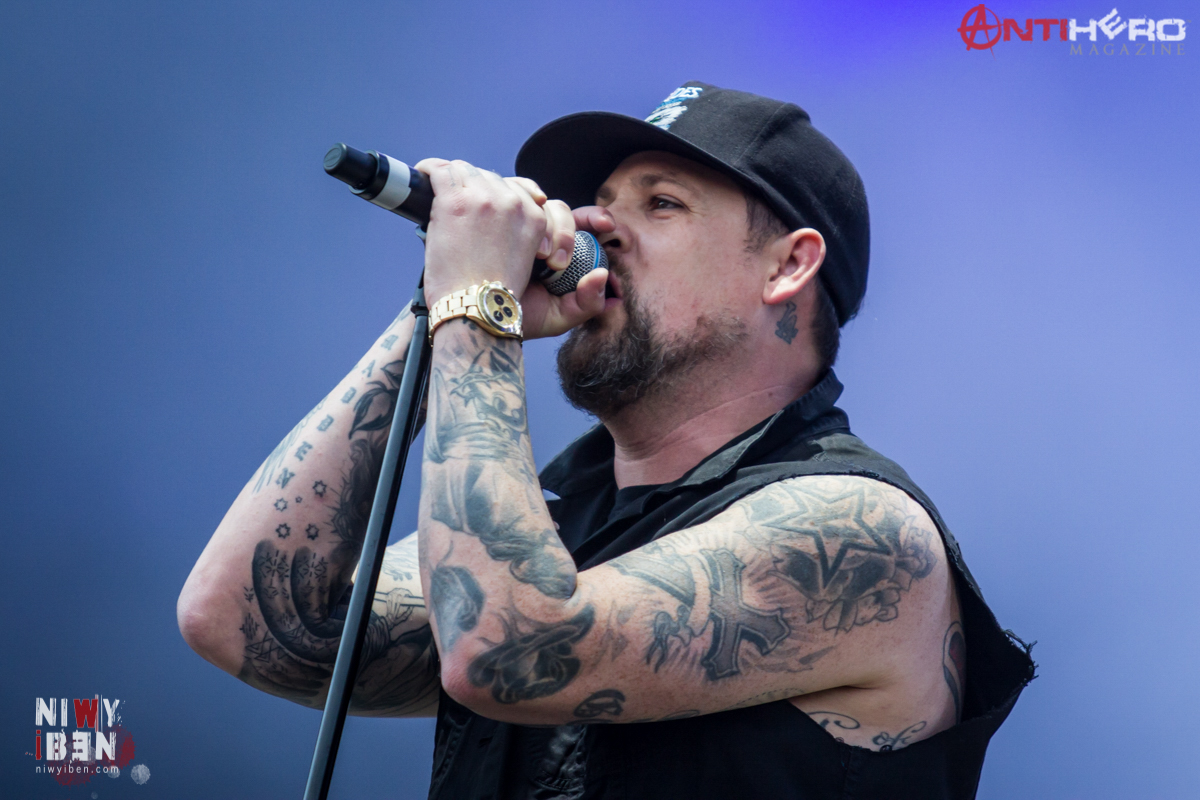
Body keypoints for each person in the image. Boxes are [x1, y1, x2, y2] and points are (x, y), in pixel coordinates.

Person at [179, 82, 1034, 799]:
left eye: (661, 203)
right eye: (600, 202)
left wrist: (476, 304)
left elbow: (506, 648)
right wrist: (438, 309)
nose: (592, 223)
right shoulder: (556, 531)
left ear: (787, 265)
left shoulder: (862, 535)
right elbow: (249, 618)